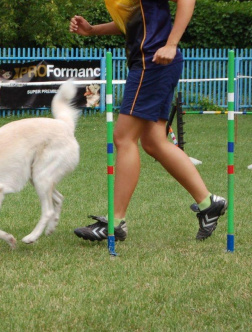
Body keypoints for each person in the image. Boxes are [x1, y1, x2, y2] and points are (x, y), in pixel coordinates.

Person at [70, 0, 227, 242]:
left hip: (153, 61)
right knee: (154, 142)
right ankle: (208, 203)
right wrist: (92, 30)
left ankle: (116, 221)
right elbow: (134, 21)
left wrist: (171, 44)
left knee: (123, 137)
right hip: (152, 63)